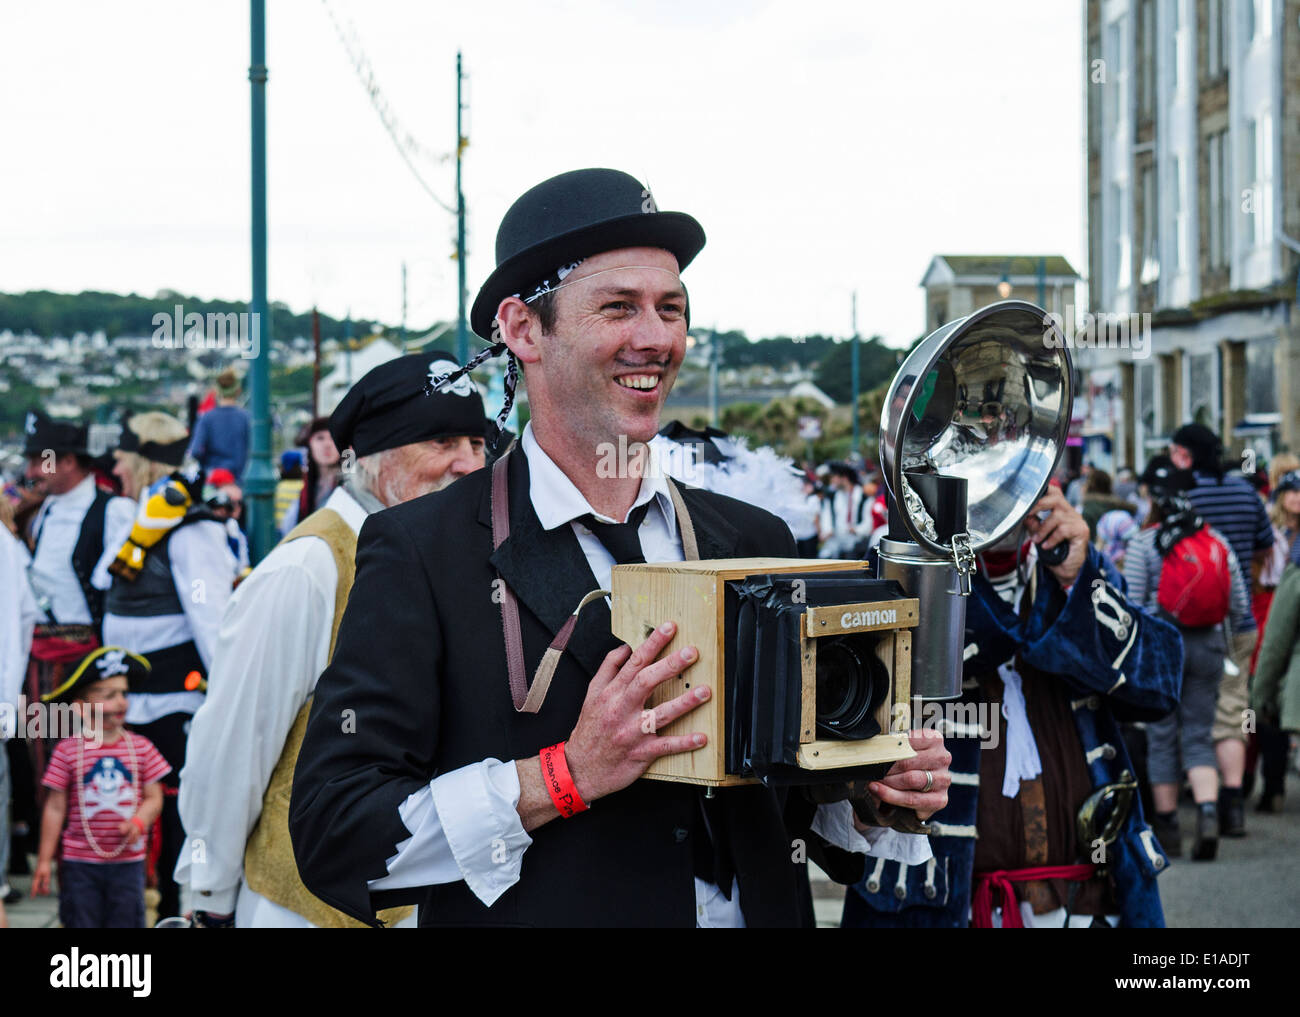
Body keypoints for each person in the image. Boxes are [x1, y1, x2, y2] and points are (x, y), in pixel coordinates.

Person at [290, 167, 950, 928]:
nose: (656, 338)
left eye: (671, 309)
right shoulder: (421, 551)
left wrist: (869, 792)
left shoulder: (755, 540)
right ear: (523, 328)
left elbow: (785, 808)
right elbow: (336, 832)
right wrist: (561, 776)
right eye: (619, 307)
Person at [176, 354, 488, 928]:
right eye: (442, 440)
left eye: (477, 440)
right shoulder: (309, 566)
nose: (469, 464)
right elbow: (230, 749)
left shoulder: (452, 559)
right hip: (302, 913)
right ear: (371, 458)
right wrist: (210, 896)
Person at [843, 486, 1182, 928]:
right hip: (938, 899)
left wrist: (1080, 576)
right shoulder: (897, 568)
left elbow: (1159, 688)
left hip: (1087, 896)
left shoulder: (1071, 570)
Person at [95, 411, 235, 921]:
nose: (115, 467)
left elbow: (215, 627)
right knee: (129, 820)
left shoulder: (191, 532)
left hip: (175, 707)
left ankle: (184, 916)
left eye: (122, 458)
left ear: (141, 461)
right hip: (129, 707)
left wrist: (224, 709)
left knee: (176, 823)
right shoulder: (139, 521)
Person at [1123, 459, 1249, 860]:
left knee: (1162, 734)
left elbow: (1134, 605)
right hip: (1208, 647)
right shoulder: (1216, 541)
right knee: (1199, 732)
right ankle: (1209, 815)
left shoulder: (1145, 543)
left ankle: (1170, 829)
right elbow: (1240, 603)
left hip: (1163, 649)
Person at [1169, 423, 1273, 836]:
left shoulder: (1181, 494)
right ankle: (1232, 805)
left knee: (1190, 711)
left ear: (1187, 455)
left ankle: (1193, 799)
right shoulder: (1246, 492)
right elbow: (1265, 548)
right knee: (1233, 711)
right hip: (1238, 620)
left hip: (1186, 624)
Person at [32, 647, 170, 928]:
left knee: (127, 921)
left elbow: (154, 797)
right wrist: (45, 860)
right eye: (108, 696)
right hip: (79, 864)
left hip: (128, 863)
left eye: (124, 694)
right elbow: (56, 807)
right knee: (80, 920)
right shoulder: (67, 751)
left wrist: (140, 820)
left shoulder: (142, 748)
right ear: (80, 707)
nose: (120, 702)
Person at [187, 368, 251, 482]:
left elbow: (195, 451)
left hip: (214, 481)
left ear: (216, 391)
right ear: (238, 391)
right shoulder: (246, 417)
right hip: (239, 481)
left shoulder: (206, 418)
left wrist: (207, 465)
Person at [280, 417, 341, 535]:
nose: (327, 444)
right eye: (320, 438)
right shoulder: (307, 488)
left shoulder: (350, 484)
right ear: (310, 444)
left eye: (333, 437)